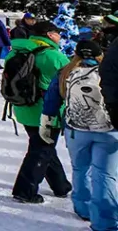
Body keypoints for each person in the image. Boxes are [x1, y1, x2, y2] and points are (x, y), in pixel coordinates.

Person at [43, 40, 113, 226]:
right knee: (105, 174)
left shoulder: (65, 72)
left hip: (76, 130)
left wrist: (47, 123)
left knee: (80, 169)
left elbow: (51, 102)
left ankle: (83, 208)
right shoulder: (109, 72)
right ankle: (104, 221)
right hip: (108, 130)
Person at [7, 21, 72, 204]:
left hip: (23, 108)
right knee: (41, 150)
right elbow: (72, 80)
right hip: (47, 110)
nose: (60, 37)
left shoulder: (17, 51)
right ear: (50, 34)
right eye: (58, 33)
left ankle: (61, 186)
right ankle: (25, 190)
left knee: (43, 146)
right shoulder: (53, 56)